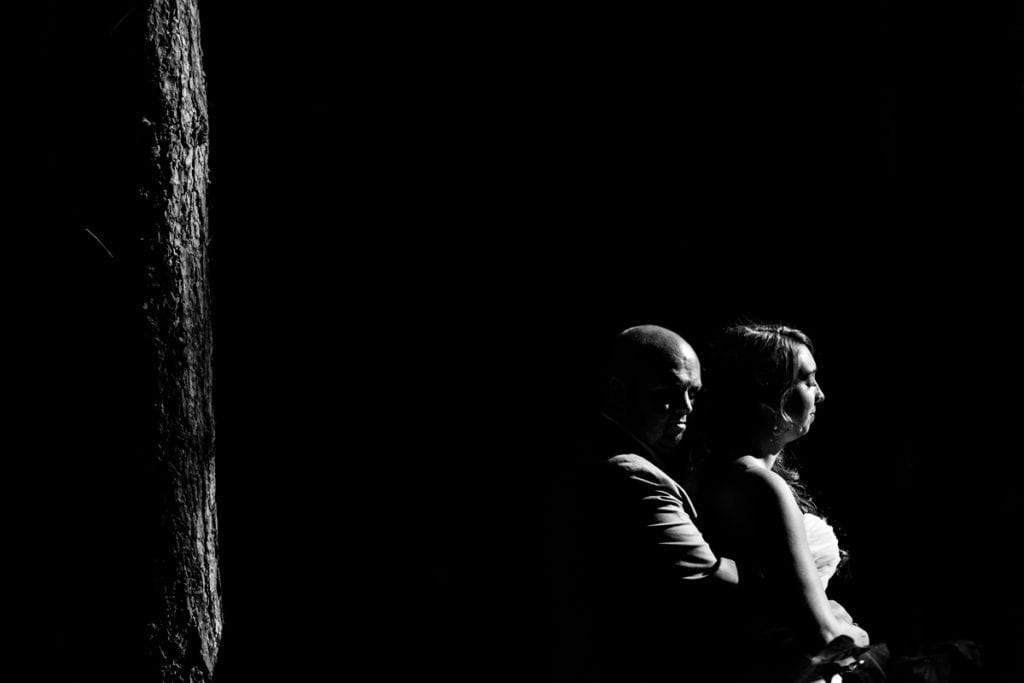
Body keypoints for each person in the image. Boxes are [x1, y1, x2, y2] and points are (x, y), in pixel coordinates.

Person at [684, 324, 873, 682]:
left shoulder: (713, 473)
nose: (819, 394)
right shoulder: (760, 486)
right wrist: (854, 631)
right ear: (769, 396)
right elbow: (823, 637)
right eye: (808, 380)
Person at [572, 324, 740, 682]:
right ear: (618, 394)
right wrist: (793, 572)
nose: (686, 408)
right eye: (667, 392)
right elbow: (712, 584)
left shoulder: (618, 457)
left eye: (693, 393)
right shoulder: (629, 473)